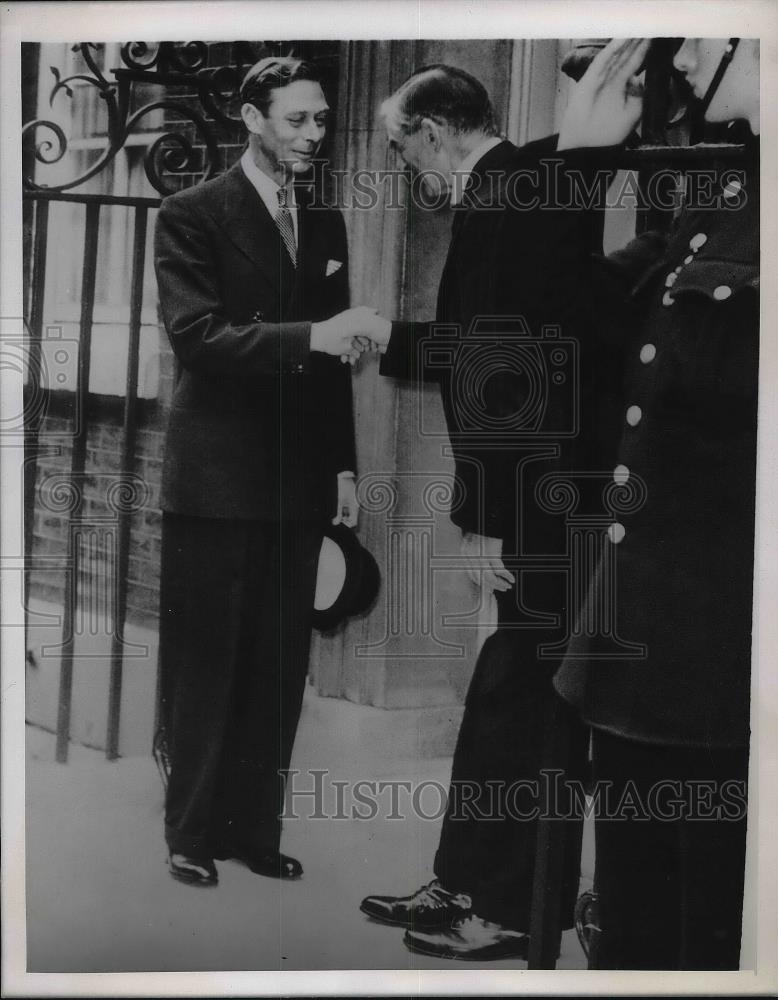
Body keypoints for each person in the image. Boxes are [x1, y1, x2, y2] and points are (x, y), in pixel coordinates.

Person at [359, 64, 614, 960]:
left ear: (433, 131)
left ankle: (508, 906)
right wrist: (384, 335)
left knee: (525, 699)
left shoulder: (516, 194)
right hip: (538, 494)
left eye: (401, 146)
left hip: (541, 501)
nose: (403, 167)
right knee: (509, 694)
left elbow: (517, 371)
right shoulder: (511, 189)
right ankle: (466, 881)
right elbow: (481, 348)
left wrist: (491, 517)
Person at [547, 38, 759, 969]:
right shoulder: (720, 190)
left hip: (729, 652)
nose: (694, 47)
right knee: (634, 929)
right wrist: (583, 168)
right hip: (645, 636)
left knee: (711, 931)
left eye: (719, 30)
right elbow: (567, 320)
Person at [153, 56, 389, 887]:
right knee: (208, 661)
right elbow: (199, 339)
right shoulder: (190, 213)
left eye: (321, 121)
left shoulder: (323, 223)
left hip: (296, 480)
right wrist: (313, 337)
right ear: (252, 118)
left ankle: (253, 827)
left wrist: (344, 471)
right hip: (216, 480)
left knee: (279, 663)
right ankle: (190, 831)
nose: (313, 136)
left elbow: (334, 365)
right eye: (296, 120)